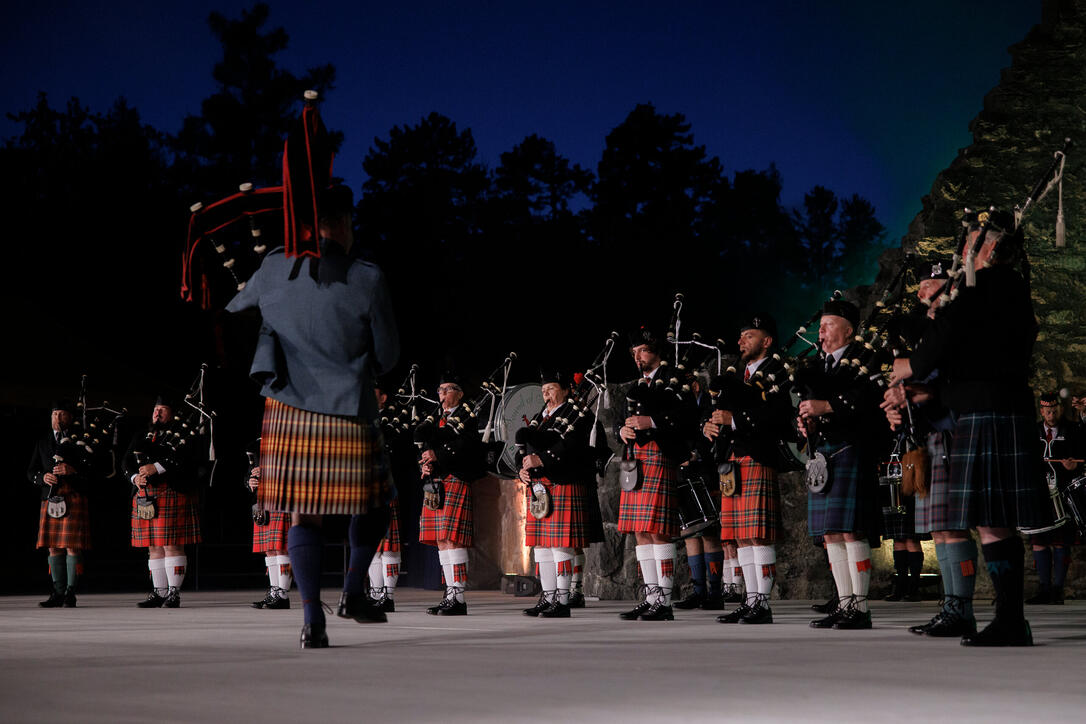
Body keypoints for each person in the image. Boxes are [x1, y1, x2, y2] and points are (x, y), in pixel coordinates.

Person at [225, 184, 399, 648]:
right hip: (349, 408)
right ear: (342, 223)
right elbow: (388, 355)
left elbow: (235, 310)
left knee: (304, 515)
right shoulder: (368, 277)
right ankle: (353, 591)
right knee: (378, 503)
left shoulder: (273, 266)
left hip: (287, 407)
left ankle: (311, 622)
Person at [892, 211, 1045, 646]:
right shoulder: (1012, 291)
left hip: (986, 413)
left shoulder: (983, 292)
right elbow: (972, 352)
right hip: (1000, 407)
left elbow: (940, 343)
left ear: (990, 249)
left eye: (971, 242)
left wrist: (910, 366)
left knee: (994, 522)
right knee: (995, 522)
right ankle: (1009, 618)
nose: (963, 250)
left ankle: (1011, 621)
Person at [883, 258, 973, 637]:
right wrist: (898, 404)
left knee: (954, 529)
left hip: (955, 431)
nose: (921, 293)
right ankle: (952, 606)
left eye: (929, 284)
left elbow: (955, 381)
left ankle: (961, 608)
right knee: (939, 530)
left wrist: (918, 392)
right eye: (919, 286)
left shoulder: (959, 327)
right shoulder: (928, 333)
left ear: (948, 285)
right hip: (930, 438)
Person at [797, 299, 885, 630]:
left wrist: (828, 406)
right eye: (820, 325)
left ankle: (859, 608)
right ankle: (844, 603)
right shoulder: (820, 366)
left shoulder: (864, 360)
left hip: (852, 449)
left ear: (848, 330)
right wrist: (806, 423)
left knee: (850, 530)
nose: (821, 331)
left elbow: (869, 402)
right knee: (831, 534)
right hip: (825, 453)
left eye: (829, 324)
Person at [703, 313, 791, 624]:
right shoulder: (738, 374)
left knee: (757, 536)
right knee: (740, 535)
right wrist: (710, 426)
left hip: (756, 457)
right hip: (732, 460)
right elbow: (722, 413)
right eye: (741, 336)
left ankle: (762, 604)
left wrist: (735, 420)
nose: (741, 341)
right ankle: (750, 599)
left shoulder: (776, 371)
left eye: (749, 335)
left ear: (766, 341)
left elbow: (780, 416)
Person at [517, 370, 597, 618]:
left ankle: (562, 600)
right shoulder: (541, 418)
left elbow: (572, 445)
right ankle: (548, 596)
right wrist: (522, 470)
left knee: (561, 543)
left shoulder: (577, 414)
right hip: (540, 486)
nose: (546, 394)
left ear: (564, 390)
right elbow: (527, 446)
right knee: (541, 544)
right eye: (543, 390)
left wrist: (540, 458)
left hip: (564, 481)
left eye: (551, 389)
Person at [616, 329, 684, 621]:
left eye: (642, 350)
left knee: (659, 530)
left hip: (659, 454)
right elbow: (626, 418)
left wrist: (652, 421)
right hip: (637, 458)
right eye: (634, 353)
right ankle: (652, 595)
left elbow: (684, 416)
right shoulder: (638, 384)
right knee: (641, 531)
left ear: (656, 350)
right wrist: (623, 430)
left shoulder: (674, 377)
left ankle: (664, 602)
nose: (637, 357)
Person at [124, 395, 203, 609]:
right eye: (155, 409)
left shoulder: (183, 435)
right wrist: (135, 477)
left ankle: (173, 594)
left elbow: (188, 460)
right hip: (145, 494)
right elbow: (126, 461)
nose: (157, 413)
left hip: (172, 491)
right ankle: (159, 592)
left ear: (172, 413)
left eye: (163, 409)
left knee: (172, 545)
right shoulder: (142, 434)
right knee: (153, 546)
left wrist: (156, 467)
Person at [415, 373, 485, 616]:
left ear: (460, 392)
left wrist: (439, 456)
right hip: (435, 482)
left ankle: (458, 597)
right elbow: (424, 448)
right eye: (440, 389)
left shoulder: (468, 417)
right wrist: (423, 463)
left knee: (452, 538)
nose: (442, 394)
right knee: (442, 540)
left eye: (448, 389)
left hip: (456, 477)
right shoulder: (433, 418)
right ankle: (450, 593)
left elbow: (469, 448)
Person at [28, 400, 94, 607]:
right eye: (54, 415)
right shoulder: (43, 441)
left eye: (62, 415)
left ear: (70, 418)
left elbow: (94, 471)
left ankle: (70, 593)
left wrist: (73, 471)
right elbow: (31, 471)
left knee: (72, 547)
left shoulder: (81, 440)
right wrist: (42, 478)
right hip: (50, 496)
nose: (57, 419)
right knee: (53, 547)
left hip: (73, 495)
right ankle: (57, 592)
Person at [673, 372, 726, 612]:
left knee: (709, 532)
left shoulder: (711, 403)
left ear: (694, 386)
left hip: (708, 472)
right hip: (685, 473)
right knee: (690, 532)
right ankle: (698, 591)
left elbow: (717, 437)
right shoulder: (680, 407)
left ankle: (715, 592)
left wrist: (696, 453)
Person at [1026, 392, 1082, 604]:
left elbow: (1081, 454)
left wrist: (1075, 464)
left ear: (1059, 408)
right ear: (1042, 411)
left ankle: (1057, 590)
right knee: (1039, 539)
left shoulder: (1072, 430)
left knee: (1061, 541)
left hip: (1064, 492)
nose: (1051, 413)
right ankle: (1044, 589)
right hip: (1041, 492)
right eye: (1047, 410)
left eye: (1054, 409)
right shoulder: (1034, 431)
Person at [245, 441, 293, 610]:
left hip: (282, 498)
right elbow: (250, 472)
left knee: (281, 548)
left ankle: (282, 594)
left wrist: (269, 472)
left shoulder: (290, 441)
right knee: (270, 549)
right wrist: (250, 482)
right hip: (263, 500)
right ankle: (275, 591)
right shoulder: (259, 442)